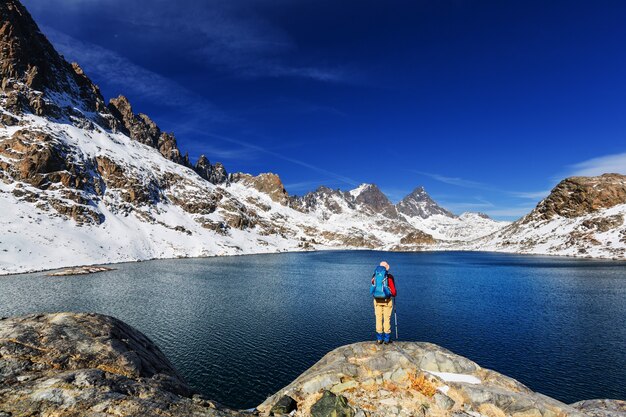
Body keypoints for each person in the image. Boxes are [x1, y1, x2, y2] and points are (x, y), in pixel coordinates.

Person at [371, 261, 396, 344]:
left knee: (378, 319)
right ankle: (386, 340)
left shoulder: (374, 276)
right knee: (386, 319)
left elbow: (373, 288)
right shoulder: (389, 277)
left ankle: (379, 339)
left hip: (377, 301)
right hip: (387, 301)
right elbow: (393, 292)